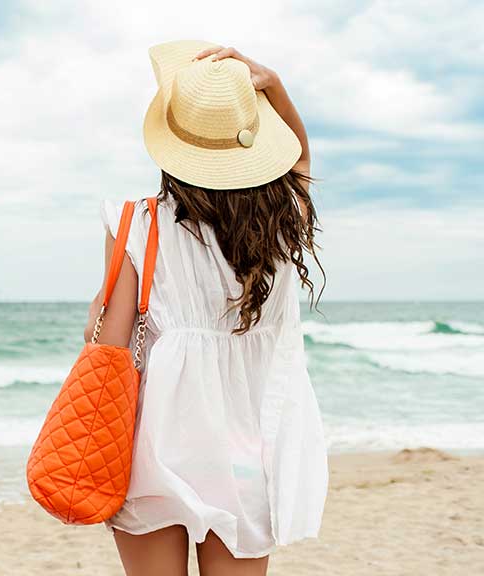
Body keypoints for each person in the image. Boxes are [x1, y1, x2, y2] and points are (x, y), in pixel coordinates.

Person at [84, 40, 329, 576]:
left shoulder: (137, 224)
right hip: (246, 450)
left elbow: (109, 342)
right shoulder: (283, 225)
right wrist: (276, 85)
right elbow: (303, 159)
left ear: (173, 143)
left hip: (155, 448)